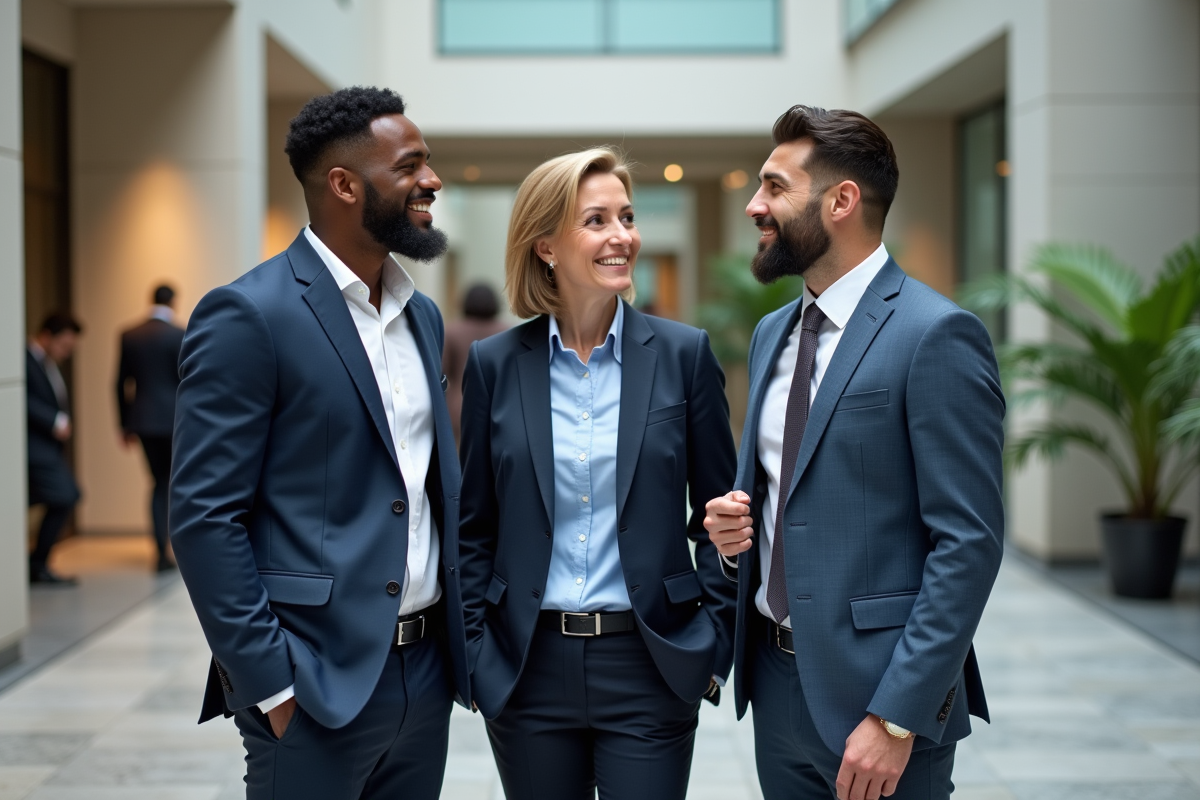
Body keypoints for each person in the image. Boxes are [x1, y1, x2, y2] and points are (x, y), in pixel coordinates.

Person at [169, 86, 471, 800]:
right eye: (410, 166)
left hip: (423, 676)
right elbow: (204, 515)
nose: (431, 181)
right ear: (343, 184)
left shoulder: (419, 315)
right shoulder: (249, 314)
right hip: (313, 685)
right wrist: (270, 682)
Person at [703, 105, 1005, 800]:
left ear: (842, 201)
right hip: (776, 692)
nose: (755, 205)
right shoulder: (771, 334)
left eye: (775, 187)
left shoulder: (937, 335)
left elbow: (968, 543)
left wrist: (895, 717)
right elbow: (791, 496)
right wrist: (731, 535)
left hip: (880, 706)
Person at [459, 147, 738, 800]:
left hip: (649, 661)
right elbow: (474, 524)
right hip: (527, 666)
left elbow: (725, 516)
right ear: (546, 246)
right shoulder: (494, 365)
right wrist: (479, 653)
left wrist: (710, 647)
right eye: (597, 220)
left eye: (628, 216)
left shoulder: (683, 355)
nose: (623, 236)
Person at [116, 284, 185, 571]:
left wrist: (123, 424)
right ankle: (174, 549)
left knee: (158, 482)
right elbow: (186, 380)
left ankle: (160, 551)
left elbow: (119, 383)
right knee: (174, 484)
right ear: (174, 303)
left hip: (143, 420)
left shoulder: (130, 335)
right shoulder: (178, 334)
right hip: (174, 421)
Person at [26, 312, 84, 585]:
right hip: (34, 451)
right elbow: (23, 399)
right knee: (65, 495)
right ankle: (36, 564)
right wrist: (54, 420)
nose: (66, 352)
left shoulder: (48, 363)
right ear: (47, 336)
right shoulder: (24, 360)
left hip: (46, 449)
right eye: (64, 346)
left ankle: (36, 564)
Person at [442, 283, 507, 442]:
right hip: (498, 407)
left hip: (458, 407)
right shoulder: (506, 332)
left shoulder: (452, 331)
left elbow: (442, 371)